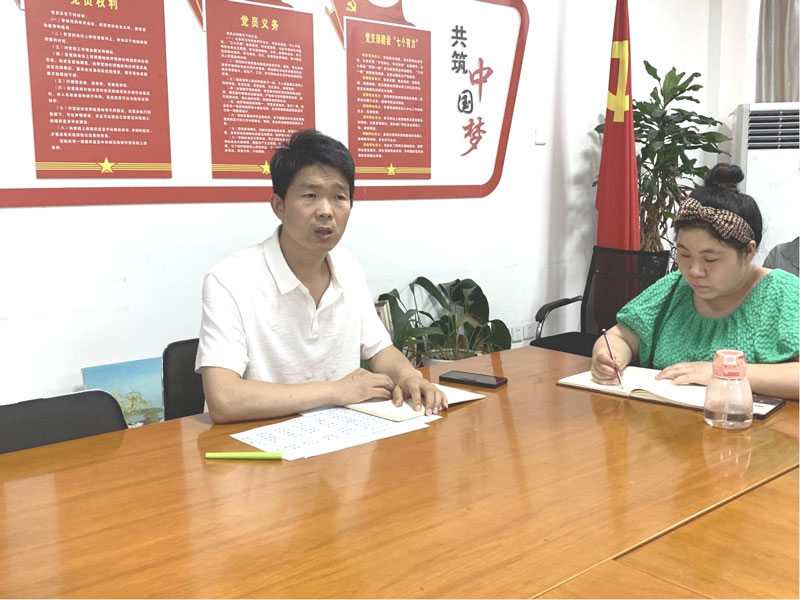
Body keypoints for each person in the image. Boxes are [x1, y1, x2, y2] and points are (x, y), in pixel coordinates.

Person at [196, 129, 446, 423]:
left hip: (340, 434)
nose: (326, 211)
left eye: (339, 196)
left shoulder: (348, 266)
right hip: (254, 440)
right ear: (279, 206)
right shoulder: (229, 280)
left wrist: (408, 375)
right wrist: (334, 391)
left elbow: (380, 349)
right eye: (310, 195)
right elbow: (224, 399)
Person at [591, 163, 799, 400]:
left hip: (745, 421)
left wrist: (724, 372)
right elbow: (619, 337)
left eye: (710, 259)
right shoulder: (674, 288)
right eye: (684, 254)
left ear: (748, 252)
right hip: (663, 418)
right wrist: (610, 356)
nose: (694, 271)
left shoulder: (782, 293)